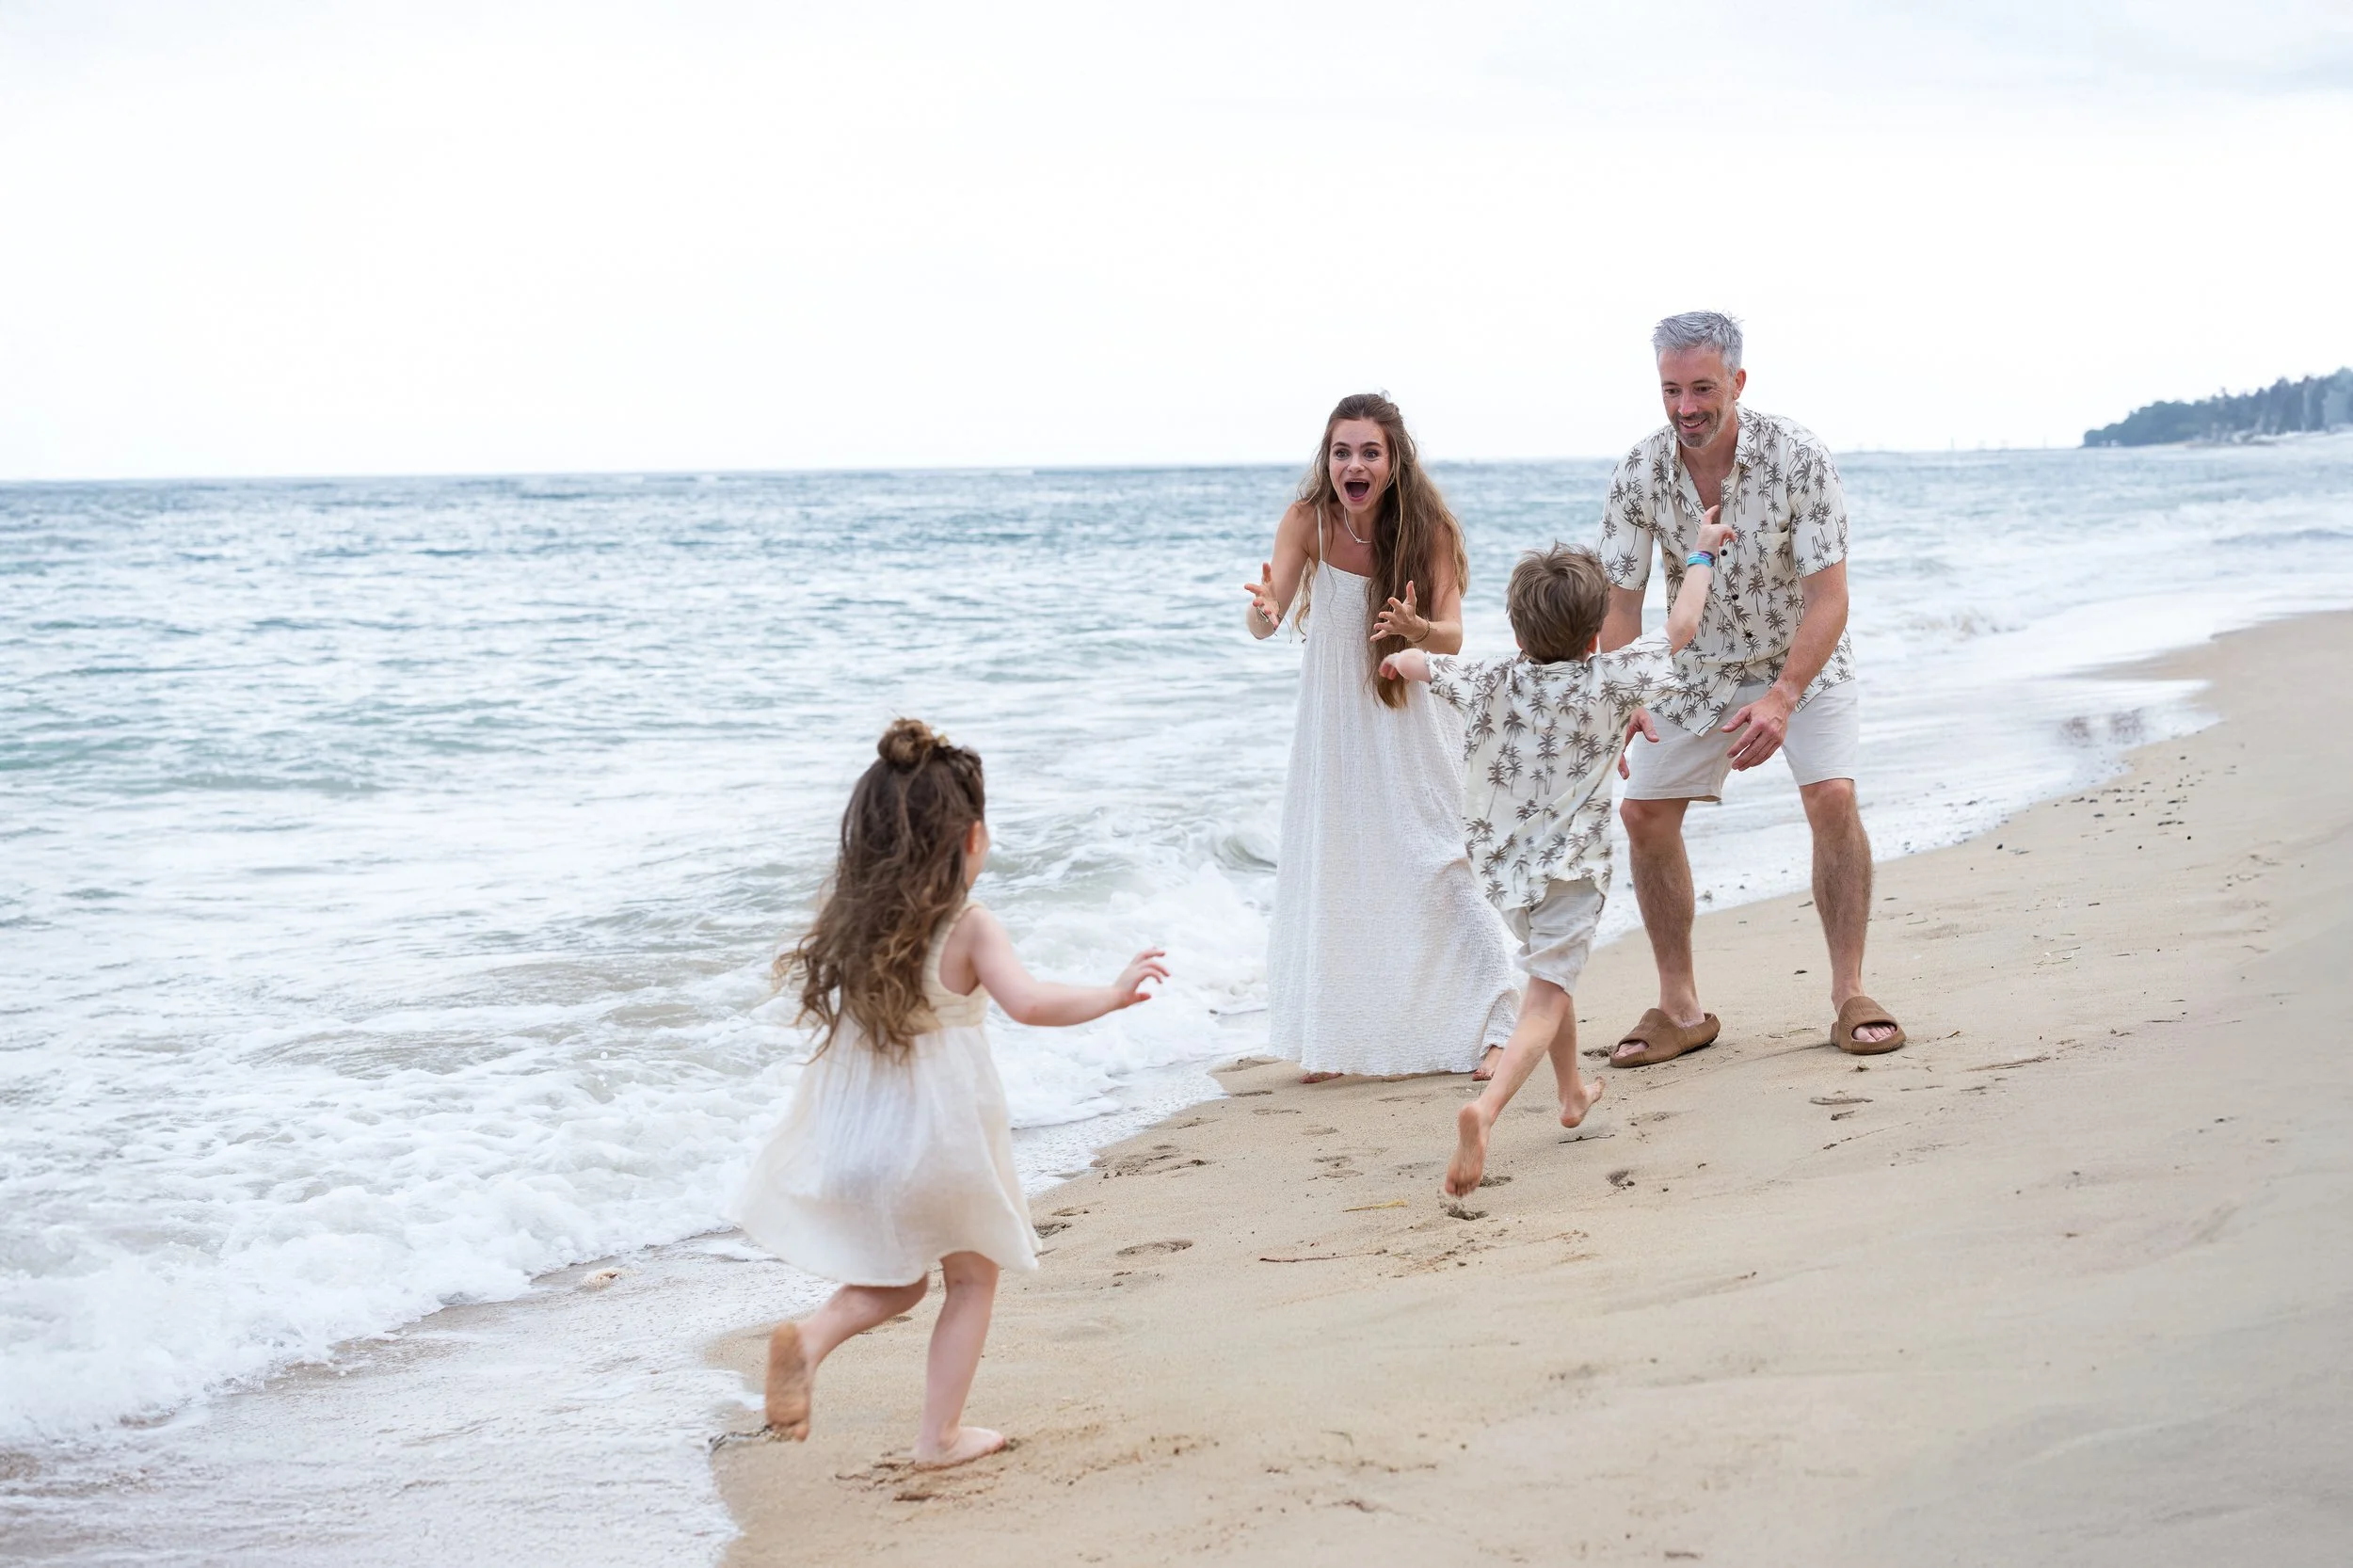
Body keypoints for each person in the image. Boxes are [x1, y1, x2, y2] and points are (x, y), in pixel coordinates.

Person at [731, 719, 1169, 1470]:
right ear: (971, 838)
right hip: (941, 1143)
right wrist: (1111, 993)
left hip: (862, 1141)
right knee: (970, 1279)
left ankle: (810, 1339)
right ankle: (937, 1438)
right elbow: (1029, 1003)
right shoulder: (968, 925)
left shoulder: (857, 926)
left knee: (897, 1283)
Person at [1383, 520, 1731, 1196]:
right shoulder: (1611, 678)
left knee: (1552, 974)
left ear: (1518, 633)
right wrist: (1701, 553)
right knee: (1545, 997)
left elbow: (1423, 666)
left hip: (1503, 871)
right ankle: (1485, 1112)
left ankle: (1571, 1094)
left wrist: (1399, 658)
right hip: (1572, 874)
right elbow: (1684, 624)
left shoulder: (1491, 676)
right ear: (1596, 634)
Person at [1600, 312, 1905, 1064]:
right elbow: (1620, 604)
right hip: (1694, 668)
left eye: (1703, 388)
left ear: (1737, 381)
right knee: (1642, 813)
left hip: (1803, 657)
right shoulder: (1639, 471)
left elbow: (1829, 598)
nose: (1685, 407)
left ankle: (1849, 992)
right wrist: (1623, 696)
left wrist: (1783, 696)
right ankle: (1680, 1007)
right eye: (1671, 390)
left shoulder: (1799, 456)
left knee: (1831, 797)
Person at [1243, 393, 1520, 1082]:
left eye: (1370, 452)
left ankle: (1499, 1023)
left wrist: (1417, 629)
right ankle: (1343, 1037)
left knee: (1441, 860)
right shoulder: (1307, 520)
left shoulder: (1429, 530)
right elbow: (1266, 620)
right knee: (1345, 866)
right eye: (1342, 452)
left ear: (1394, 461)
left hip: (1413, 716)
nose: (1354, 465)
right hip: (1336, 726)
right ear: (1327, 459)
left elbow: (1453, 636)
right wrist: (1265, 609)